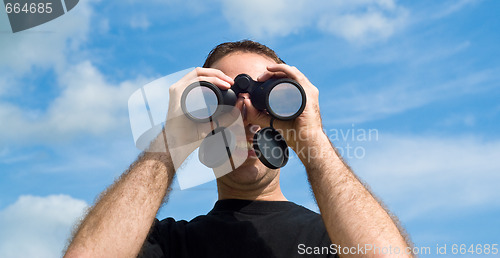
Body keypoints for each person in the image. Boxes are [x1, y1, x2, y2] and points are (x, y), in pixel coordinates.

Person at [64, 40, 412, 258]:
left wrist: (313, 139)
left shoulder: (332, 240)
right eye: (225, 97)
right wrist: (171, 139)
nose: (246, 110)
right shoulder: (170, 243)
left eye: (265, 94)